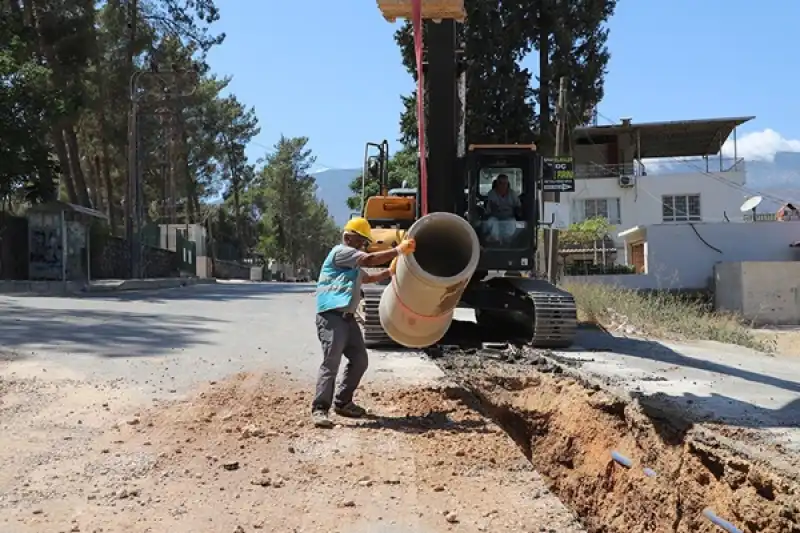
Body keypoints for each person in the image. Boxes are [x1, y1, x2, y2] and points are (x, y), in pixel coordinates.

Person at [311, 216, 416, 428]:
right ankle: (320, 409)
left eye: (364, 243)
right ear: (348, 238)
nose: (363, 246)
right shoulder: (341, 252)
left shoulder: (352, 263)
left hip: (347, 318)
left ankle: (343, 402)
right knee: (331, 362)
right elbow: (369, 260)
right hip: (331, 316)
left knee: (360, 359)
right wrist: (398, 251)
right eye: (361, 241)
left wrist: (389, 272)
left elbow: (366, 278)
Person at [485, 173, 521, 243]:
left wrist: (518, 213)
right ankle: (496, 241)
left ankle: (506, 242)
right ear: (497, 184)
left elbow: (518, 207)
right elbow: (491, 208)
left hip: (509, 218)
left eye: (505, 183)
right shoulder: (491, 194)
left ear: (508, 184)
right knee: (493, 223)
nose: (503, 185)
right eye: (501, 183)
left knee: (512, 223)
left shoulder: (512, 194)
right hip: (495, 217)